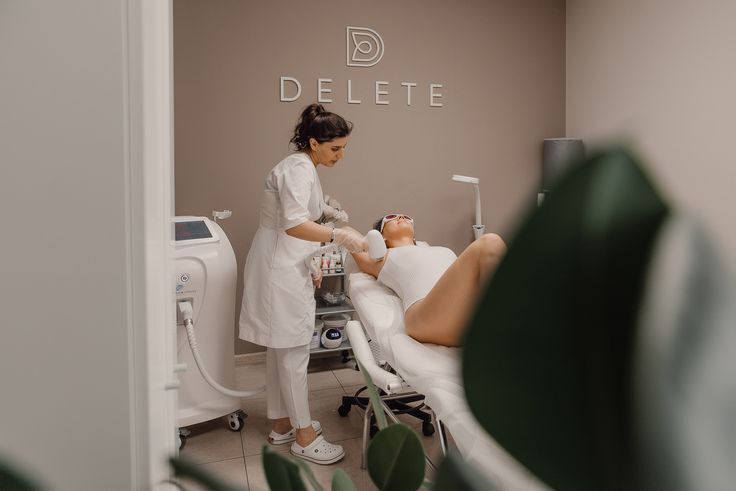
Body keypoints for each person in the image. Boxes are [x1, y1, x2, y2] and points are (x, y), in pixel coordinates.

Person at [239, 103, 365, 465]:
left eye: (344, 148)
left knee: (281, 347)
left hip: (283, 261)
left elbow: (301, 216)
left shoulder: (303, 166)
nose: (341, 155)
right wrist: (340, 235)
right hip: (279, 267)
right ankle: (305, 436)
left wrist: (324, 222)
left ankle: (282, 423)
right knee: (294, 350)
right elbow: (294, 224)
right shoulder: (298, 169)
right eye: (335, 148)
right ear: (313, 143)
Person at [349, 214, 507, 347]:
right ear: (381, 236)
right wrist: (368, 243)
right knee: (490, 242)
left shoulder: (439, 249)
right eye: (391, 217)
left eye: (406, 217)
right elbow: (347, 231)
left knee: (495, 249)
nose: (400, 217)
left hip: (461, 313)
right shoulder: (381, 259)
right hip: (423, 317)